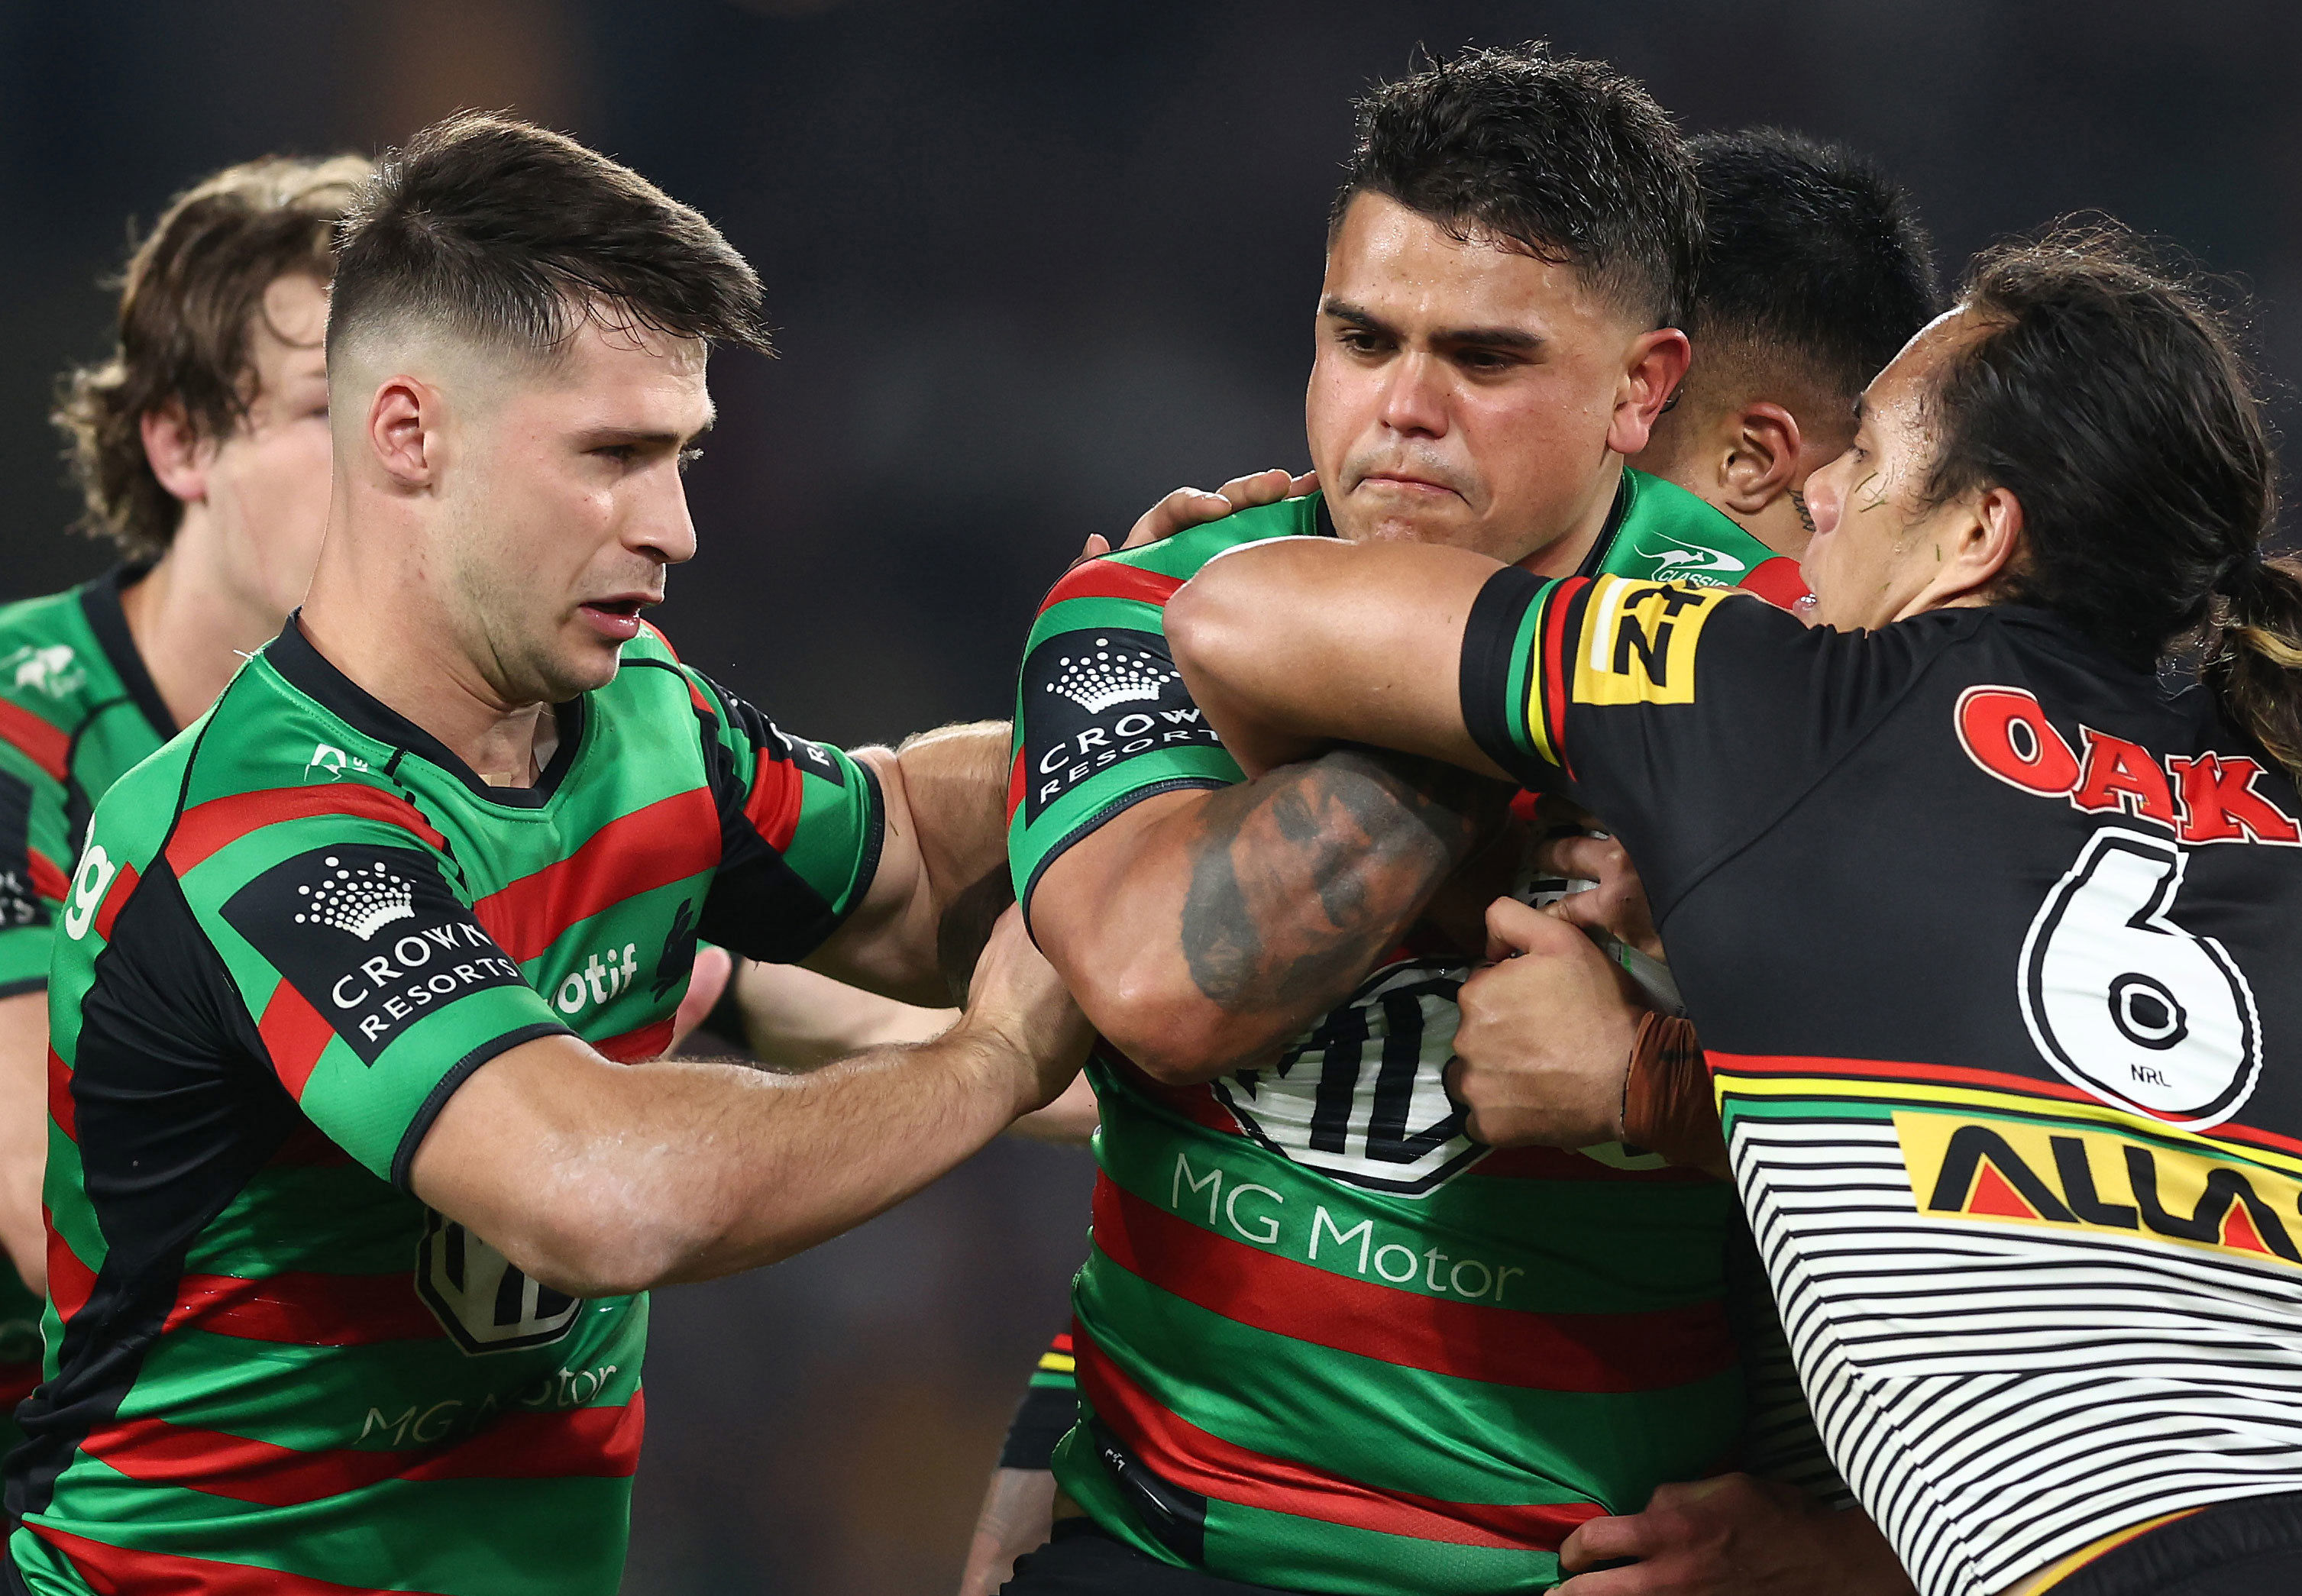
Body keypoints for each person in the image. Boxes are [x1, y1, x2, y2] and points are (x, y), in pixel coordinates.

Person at [1163, 225, 2302, 1592]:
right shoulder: (2278, 809)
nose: (1820, 492)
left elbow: (1243, 614)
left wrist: (1646, 1042)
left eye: (1869, 456)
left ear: (1978, 531)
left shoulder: (1771, 697)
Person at [6, 114, 1088, 1596]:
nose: (681, 525)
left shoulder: (642, 718)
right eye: (615, 456)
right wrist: (989, 1062)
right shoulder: (252, 821)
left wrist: (1140, 689)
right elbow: (597, 1190)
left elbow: (899, 838)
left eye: (684, 453)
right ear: (403, 434)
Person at [956, 122, 1940, 1596]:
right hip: (1174, 1538)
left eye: (1483, 360)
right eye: (1363, 340)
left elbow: (1997, 1138)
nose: (1401, 412)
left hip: (1583, 1562)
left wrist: (1846, 1553)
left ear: (1640, 390)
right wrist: (1516, 702)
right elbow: (1169, 986)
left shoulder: (1805, 662)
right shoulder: (1152, 598)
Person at [0, 152, 373, 1461]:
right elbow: (50, 1217)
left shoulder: (397, 738)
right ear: (179, 441)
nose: (385, 462)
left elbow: (752, 974)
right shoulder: (17, 731)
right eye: (325, 411)